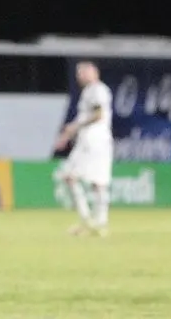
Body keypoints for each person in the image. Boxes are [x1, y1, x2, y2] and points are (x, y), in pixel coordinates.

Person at [53, 60, 114, 237]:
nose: (79, 77)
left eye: (82, 73)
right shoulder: (90, 91)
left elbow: (98, 114)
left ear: (93, 73)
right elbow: (87, 116)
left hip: (93, 141)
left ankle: (89, 221)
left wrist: (74, 127)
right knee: (97, 183)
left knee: (72, 177)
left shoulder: (96, 90)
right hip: (95, 141)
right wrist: (68, 134)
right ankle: (98, 223)